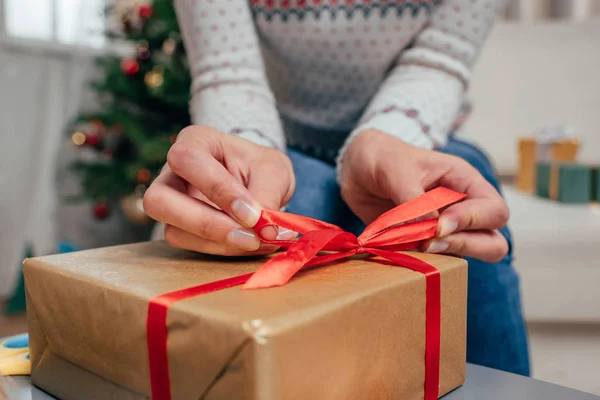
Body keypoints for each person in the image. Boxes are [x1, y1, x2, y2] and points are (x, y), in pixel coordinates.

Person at [144, 0, 529, 376]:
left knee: (460, 214)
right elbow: (227, 71)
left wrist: (384, 142)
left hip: (413, 138)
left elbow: (442, 59)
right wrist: (242, 160)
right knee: (281, 219)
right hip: (279, 142)